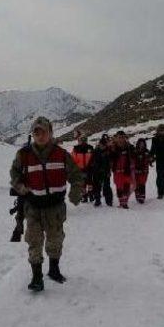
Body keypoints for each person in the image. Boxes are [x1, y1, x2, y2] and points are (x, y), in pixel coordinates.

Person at [10, 117, 84, 292]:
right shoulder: (23, 155)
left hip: (55, 208)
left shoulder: (61, 154)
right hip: (33, 207)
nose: (40, 136)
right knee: (34, 241)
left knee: (55, 239)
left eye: (44, 132)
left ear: (50, 133)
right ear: (33, 134)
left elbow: (75, 175)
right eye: (36, 132)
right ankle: (36, 277)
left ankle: (54, 269)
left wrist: (76, 191)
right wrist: (19, 186)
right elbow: (14, 173)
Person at [110, 131, 135, 209]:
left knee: (126, 186)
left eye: (122, 137)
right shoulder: (113, 147)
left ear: (125, 138)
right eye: (119, 137)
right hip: (117, 171)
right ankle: (121, 201)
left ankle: (124, 203)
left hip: (126, 170)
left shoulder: (129, 147)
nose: (121, 139)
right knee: (119, 187)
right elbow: (110, 158)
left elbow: (134, 154)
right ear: (117, 138)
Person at [90, 134, 113, 207]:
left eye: (103, 145)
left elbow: (110, 162)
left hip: (106, 172)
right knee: (96, 187)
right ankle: (97, 200)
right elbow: (91, 162)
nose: (102, 146)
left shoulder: (108, 152)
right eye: (101, 144)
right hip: (96, 172)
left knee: (107, 187)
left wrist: (109, 171)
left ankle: (109, 201)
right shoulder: (95, 151)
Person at [70, 135, 94, 203]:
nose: (82, 141)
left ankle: (91, 195)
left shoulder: (90, 148)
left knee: (90, 182)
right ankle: (84, 196)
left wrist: (93, 165)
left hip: (89, 168)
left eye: (83, 140)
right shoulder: (76, 148)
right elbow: (73, 159)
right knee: (82, 184)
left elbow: (94, 157)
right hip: (80, 169)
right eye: (81, 140)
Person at [133, 138, 153, 204]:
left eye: (143, 144)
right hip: (136, 171)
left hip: (144, 171)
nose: (141, 145)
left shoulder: (147, 151)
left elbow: (150, 159)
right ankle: (137, 195)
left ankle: (142, 197)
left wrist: (151, 161)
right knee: (136, 184)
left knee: (142, 183)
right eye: (140, 144)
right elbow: (132, 160)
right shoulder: (135, 151)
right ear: (138, 144)